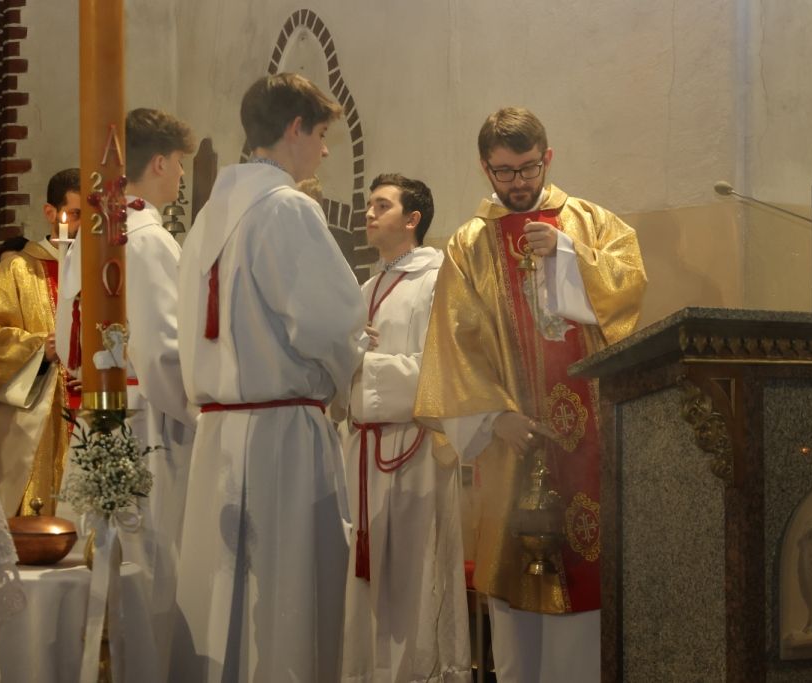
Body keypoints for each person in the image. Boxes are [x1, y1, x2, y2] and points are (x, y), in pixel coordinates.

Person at [414, 107, 646, 683]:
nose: (517, 182)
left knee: (585, 579)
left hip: (588, 441)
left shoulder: (591, 222)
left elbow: (629, 292)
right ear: (484, 167)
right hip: (510, 441)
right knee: (514, 588)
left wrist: (568, 254)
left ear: (548, 158)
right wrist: (494, 417)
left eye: (528, 168)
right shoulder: (469, 244)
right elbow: (454, 341)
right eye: (504, 171)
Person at [172, 73, 365, 682]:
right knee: (285, 609)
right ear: (295, 128)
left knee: (221, 612)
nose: (325, 150)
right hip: (283, 438)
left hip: (218, 436)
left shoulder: (209, 217)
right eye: (322, 134)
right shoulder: (286, 206)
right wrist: (349, 377)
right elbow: (331, 324)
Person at [55, 107, 197, 680]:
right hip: (145, 427)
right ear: (158, 163)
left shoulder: (89, 235)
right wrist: (203, 412)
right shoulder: (151, 240)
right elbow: (164, 353)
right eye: (180, 164)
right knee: (148, 570)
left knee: (93, 565)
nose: (181, 176)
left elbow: (65, 338)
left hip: (93, 422)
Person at [339, 174, 471, 683]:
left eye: (382, 205)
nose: (369, 214)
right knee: (366, 588)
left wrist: (364, 365)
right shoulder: (365, 288)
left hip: (414, 451)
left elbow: (444, 372)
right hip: (364, 452)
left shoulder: (438, 281)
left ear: (413, 219)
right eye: (369, 205)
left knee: (414, 580)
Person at [0, 168, 81, 517]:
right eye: (75, 214)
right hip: (38, 416)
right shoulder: (18, 269)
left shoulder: (104, 271)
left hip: (89, 406)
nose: (83, 226)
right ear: (50, 213)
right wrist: (37, 349)